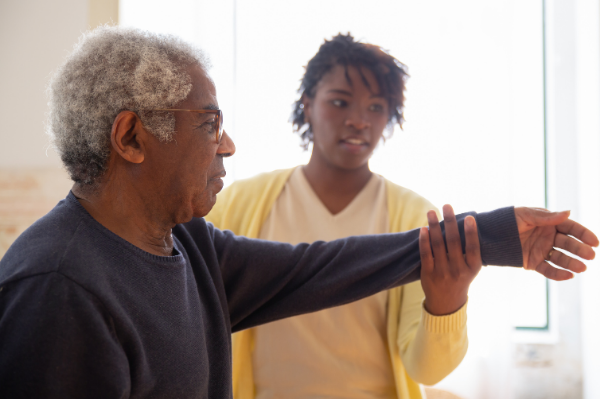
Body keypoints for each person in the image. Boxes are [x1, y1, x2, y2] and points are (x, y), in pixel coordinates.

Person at [0, 27, 595, 399]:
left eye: (375, 108)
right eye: (210, 124)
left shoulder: (190, 244)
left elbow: (319, 268)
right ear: (131, 138)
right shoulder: (57, 289)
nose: (227, 144)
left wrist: (493, 239)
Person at [205, 34, 596, 399]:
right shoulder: (239, 203)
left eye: (376, 107)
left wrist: (448, 302)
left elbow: (426, 370)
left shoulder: (415, 216)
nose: (359, 120)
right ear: (308, 103)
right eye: (340, 101)